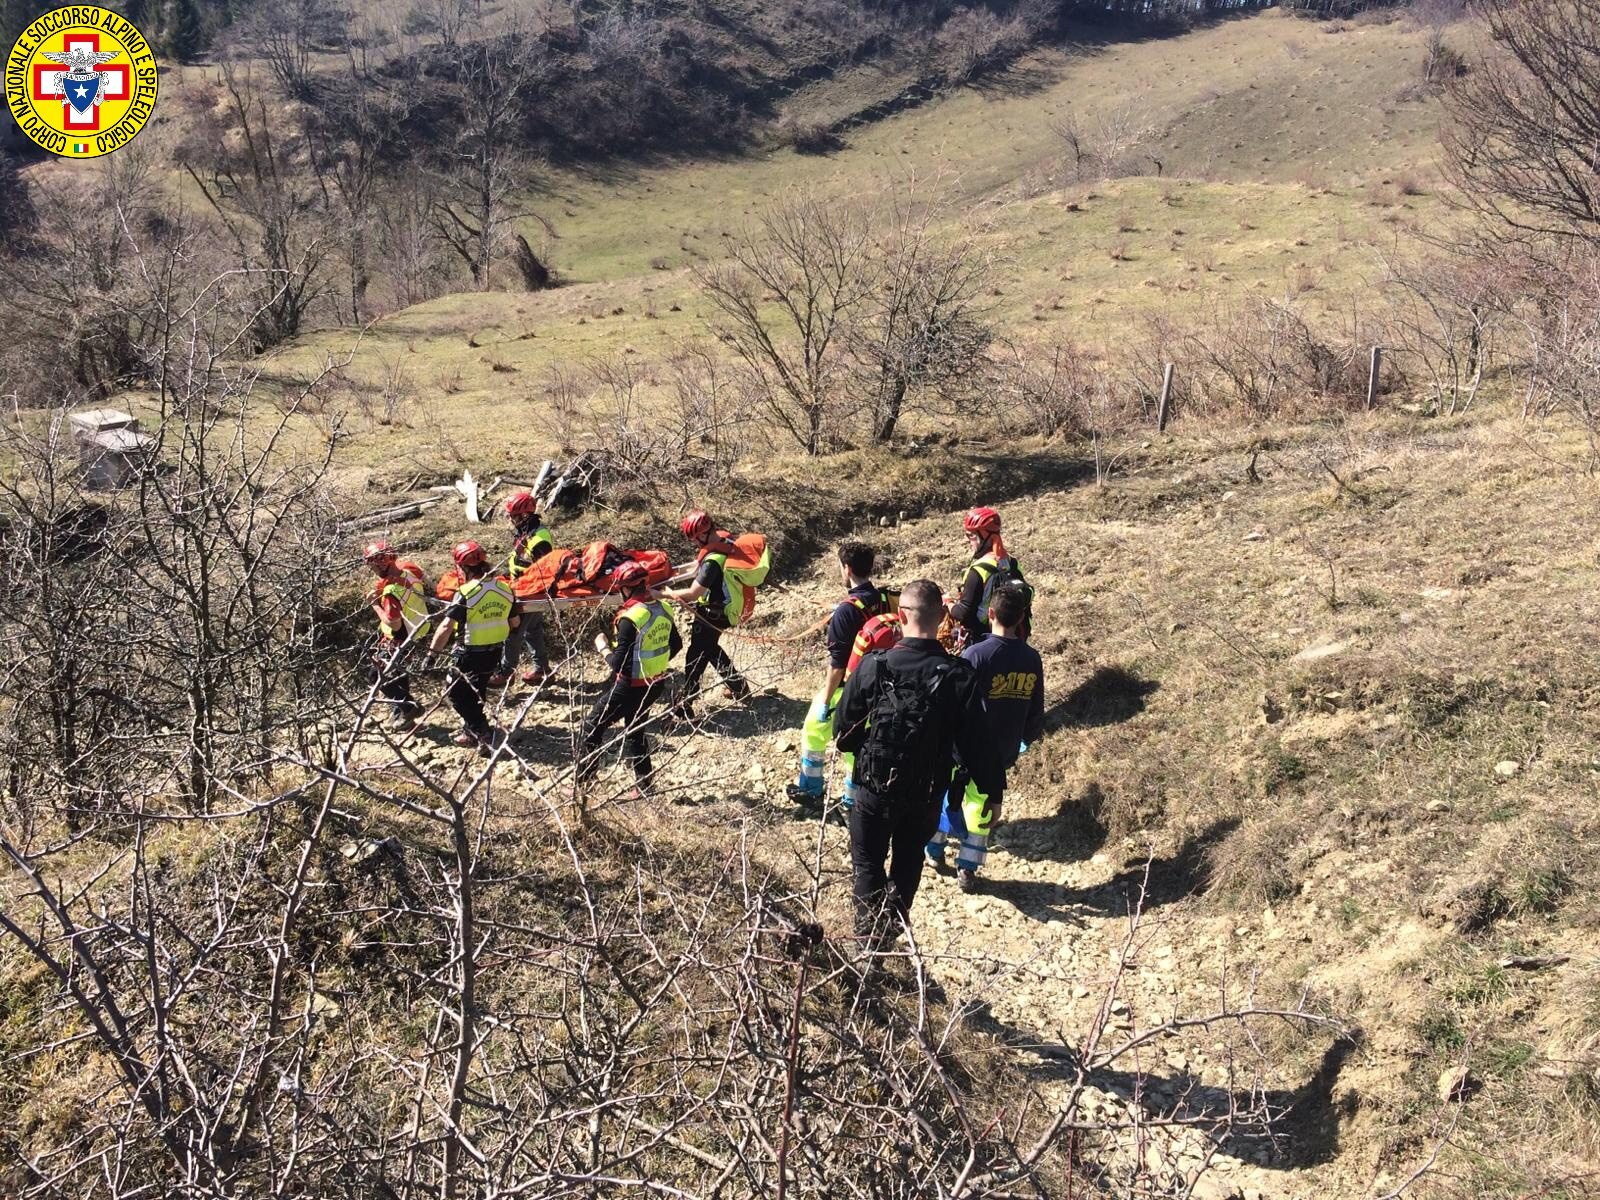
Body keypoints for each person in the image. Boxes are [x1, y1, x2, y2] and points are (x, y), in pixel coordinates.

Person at [834, 578, 1000, 946]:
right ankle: (890, 938)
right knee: (907, 866)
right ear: (942, 616)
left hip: (873, 788)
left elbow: (842, 729)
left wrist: (865, 753)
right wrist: (992, 793)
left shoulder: (873, 666)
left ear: (900, 615)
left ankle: (866, 945)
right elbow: (979, 746)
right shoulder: (961, 677)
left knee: (867, 868)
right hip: (925, 793)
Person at [926, 584, 1044, 892]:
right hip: (1001, 750)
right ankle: (969, 866)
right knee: (982, 805)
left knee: (943, 793)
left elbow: (954, 700)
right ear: (1022, 620)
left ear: (989, 614)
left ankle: (935, 848)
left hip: (964, 747)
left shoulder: (975, 654)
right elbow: (1036, 708)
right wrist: (1024, 740)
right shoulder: (1032, 659)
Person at [786, 541, 889, 810]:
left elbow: (837, 664)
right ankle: (853, 801)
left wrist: (825, 700)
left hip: (848, 688)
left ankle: (811, 790)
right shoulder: (882, 599)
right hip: (879, 686)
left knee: (813, 731)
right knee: (859, 746)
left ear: (846, 569)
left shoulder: (847, 610)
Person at [575, 561, 682, 799]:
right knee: (635, 729)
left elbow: (618, 664)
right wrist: (654, 665)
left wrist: (602, 647)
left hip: (630, 686)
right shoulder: (664, 608)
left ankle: (584, 782)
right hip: (655, 682)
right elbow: (676, 644)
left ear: (625, 588)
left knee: (592, 725)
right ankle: (645, 786)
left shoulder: (630, 617)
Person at [659, 509, 752, 718]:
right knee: (709, 650)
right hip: (724, 611)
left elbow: (694, 593)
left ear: (702, 534)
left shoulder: (713, 561)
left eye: (694, 539)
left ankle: (683, 704)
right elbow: (699, 569)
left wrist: (664, 594)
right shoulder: (726, 541)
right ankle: (739, 688)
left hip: (714, 613)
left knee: (695, 656)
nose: (695, 543)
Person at [426, 540, 517, 752]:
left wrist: (431, 655)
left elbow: (446, 626)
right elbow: (515, 623)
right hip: (495, 651)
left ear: (463, 567)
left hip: (469, 652)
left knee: (455, 693)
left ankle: (483, 732)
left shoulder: (466, 592)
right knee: (477, 690)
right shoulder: (504, 588)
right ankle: (470, 731)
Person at [364, 540, 432, 731]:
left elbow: (392, 621)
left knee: (376, 675)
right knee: (398, 674)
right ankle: (402, 713)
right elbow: (426, 580)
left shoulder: (391, 591)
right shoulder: (409, 572)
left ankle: (409, 708)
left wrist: (374, 604)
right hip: (418, 630)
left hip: (400, 636)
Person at [947, 506, 1030, 646]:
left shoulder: (977, 571)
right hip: (1015, 638)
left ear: (984, 536)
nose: (967, 540)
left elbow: (963, 613)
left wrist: (948, 603)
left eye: (971, 535)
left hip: (982, 641)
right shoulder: (1012, 562)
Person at [500, 490, 555, 685]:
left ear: (524, 515)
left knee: (512, 631)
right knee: (533, 629)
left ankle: (505, 672)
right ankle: (542, 669)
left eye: (513, 516)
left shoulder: (539, 539)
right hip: (523, 586)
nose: (511, 520)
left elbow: (543, 570)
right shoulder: (527, 532)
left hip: (530, 590)